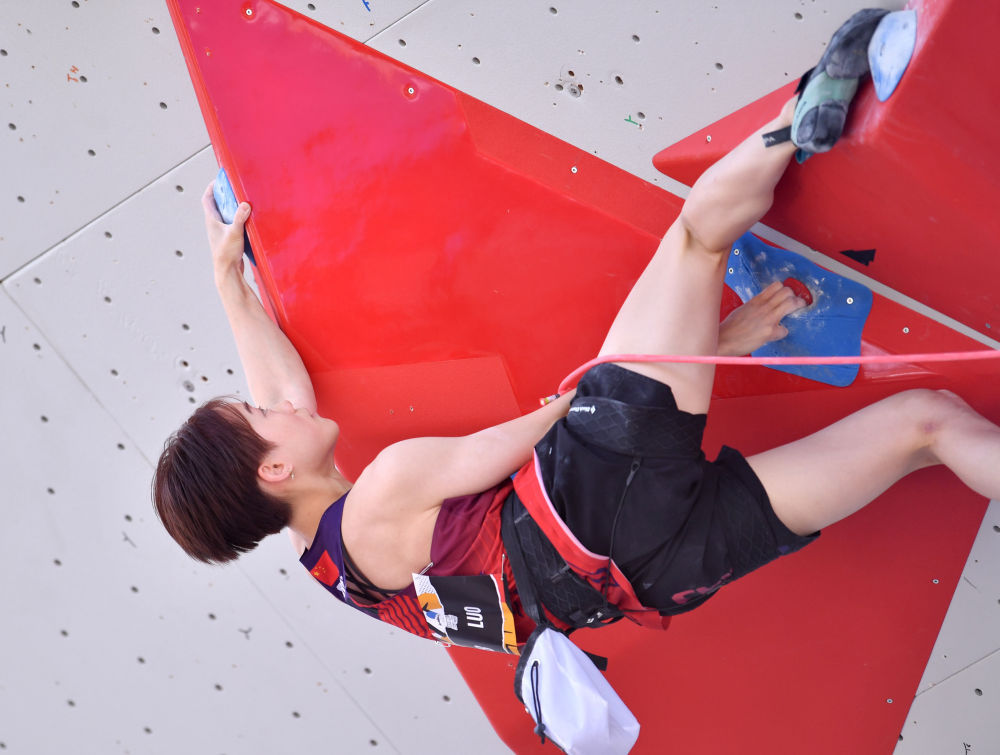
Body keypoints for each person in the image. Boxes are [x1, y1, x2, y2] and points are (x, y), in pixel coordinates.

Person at [153, 20, 1000, 653]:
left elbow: (280, 397)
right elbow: (547, 419)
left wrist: (230, 278)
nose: (274, 409)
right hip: (588, 493)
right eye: (258, 420)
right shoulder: (384, 486)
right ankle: (817, 101)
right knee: (697, 242)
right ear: (271, 465)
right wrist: (709, 339)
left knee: (924, 423)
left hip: (649, 577)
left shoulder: (334, 568)